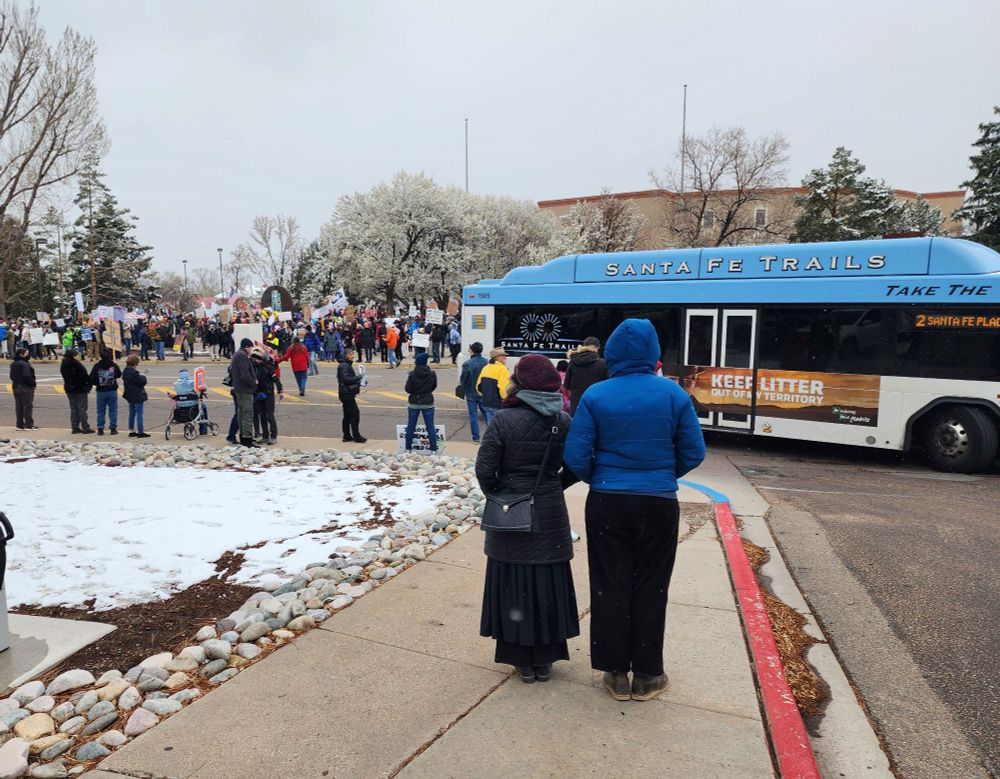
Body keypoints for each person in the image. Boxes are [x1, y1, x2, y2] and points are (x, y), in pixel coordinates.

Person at [562, 319, 706, 702]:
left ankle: (614, 673)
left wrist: (603, 477)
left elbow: (575, 455)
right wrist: (661, 475)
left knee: (610, 583)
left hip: (608, 500)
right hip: (658, 501)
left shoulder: (595, 395)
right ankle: (648, 674)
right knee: (651, 585)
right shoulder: (673, 395)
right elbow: (694, 452)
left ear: (613, 354)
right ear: (653, 353)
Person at [476, 354, 577, 683]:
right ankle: (545, 659)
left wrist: (503, 492)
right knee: (547, 581)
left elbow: (484, 470)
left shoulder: (503, 421)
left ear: (518, 384)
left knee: (513, 583)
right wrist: (551, 486)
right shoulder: (563, 420)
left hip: (512, 512)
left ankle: (521, 658)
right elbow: (576, 465)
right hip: (549, 511)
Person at [564, 336, 609, 415]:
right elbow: (608, 387)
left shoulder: (573, 363)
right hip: (597, 407)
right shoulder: (604, 364)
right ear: (597, 348)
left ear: (584, 346)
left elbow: (567, 385)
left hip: (577, 408)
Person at [404, 352, 438, 453]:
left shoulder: (412, 374)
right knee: (430, 426)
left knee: (411, 425)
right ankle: (433, 450)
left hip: (414, 402)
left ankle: (408, 448)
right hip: (428, 401)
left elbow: (408, 389)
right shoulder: (432, 373)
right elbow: (433, 386)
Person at [230, 337, 259, 447]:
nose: (252, 349)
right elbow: (245, 374)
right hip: (245, 390)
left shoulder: (238, 354)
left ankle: (243, 438)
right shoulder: (242, 356)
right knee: (247, 414)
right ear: (247, 346)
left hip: (239, 389)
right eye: (251, 347)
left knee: (241, 414)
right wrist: (253, 383)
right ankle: (247, 439)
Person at [251, 347, 283, 445]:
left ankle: (273, 436)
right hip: (259, 394)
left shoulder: (268, 367)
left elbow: (276, 380)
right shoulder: (255, 367)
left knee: (269, 415)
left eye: (256, 358)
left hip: (268, 393)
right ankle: (265, 436)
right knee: (262, 416)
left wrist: (280, 390)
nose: (255, 360)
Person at [459, 342, 488, 442]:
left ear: (472, 351)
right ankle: (490, 436)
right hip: (483, 392)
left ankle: (476, 437)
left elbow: (463, 380)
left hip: (471, 392)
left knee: (473, 415)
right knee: (486, 414)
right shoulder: (486, 362)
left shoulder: (467, 364)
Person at [89, 348, 122, 435]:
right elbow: (119, 374)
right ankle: (113, 428)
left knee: (100, 411)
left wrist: (97, 383)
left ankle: (100, 428)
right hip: (112, 390)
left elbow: (91, 378)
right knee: (113, 410)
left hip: (101, 391)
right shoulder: (113, 365)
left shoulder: (97, 366)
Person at [60, 349, 94, 434]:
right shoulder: (77, 365)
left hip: (69, 389)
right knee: (82, 408)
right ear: (73, 356)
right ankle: (85, 427)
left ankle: (75, 427)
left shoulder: (64, 365)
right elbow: (84, 376)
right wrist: (88, 385)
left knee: (73, 408)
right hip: (80, 389)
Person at [337, 347, 366, 443]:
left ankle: (347, 435)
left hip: (346, 393)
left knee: (347, 415)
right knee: (355, 414)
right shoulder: (344, 366)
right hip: (346, 394)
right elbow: (346, 379)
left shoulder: (345, 365)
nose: (352, 356)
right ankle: (356, 436)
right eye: (350, 354)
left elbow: (348, 379)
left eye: (353, 354)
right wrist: (358, 377)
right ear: (346, 355)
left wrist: (360, 382)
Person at [475, 347, 510, 425]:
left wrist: (485, 395)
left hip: (487, 402)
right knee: (500, 428)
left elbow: (478, 386)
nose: (505, 357)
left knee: (490, 427)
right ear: (497, 358)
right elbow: (503, 388)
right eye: (503, 356)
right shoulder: (503, 369)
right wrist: (506, 400)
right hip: (498, 403)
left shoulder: (486, 368)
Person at [122, 354, 150, 438]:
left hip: (129, 394)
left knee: (132, 413)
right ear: (135, 364)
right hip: (137, 395)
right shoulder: (134, 373)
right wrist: (144, 376)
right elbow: (142, 382)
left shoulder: (125, 371)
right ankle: (140, 432)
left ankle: (131, 430)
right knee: (139, 414)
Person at [10, 348, 37, 430]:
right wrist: (33, 383)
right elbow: (27, 376)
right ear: (22, 354)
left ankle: (19, 424)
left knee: (19, 406)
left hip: (16, 387)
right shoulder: (25, 364)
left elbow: (11, 376)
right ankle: (29, 425)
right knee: (27, 406)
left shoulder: (13, 363)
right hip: (26, 387)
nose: (28, 355)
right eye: (27, 353)